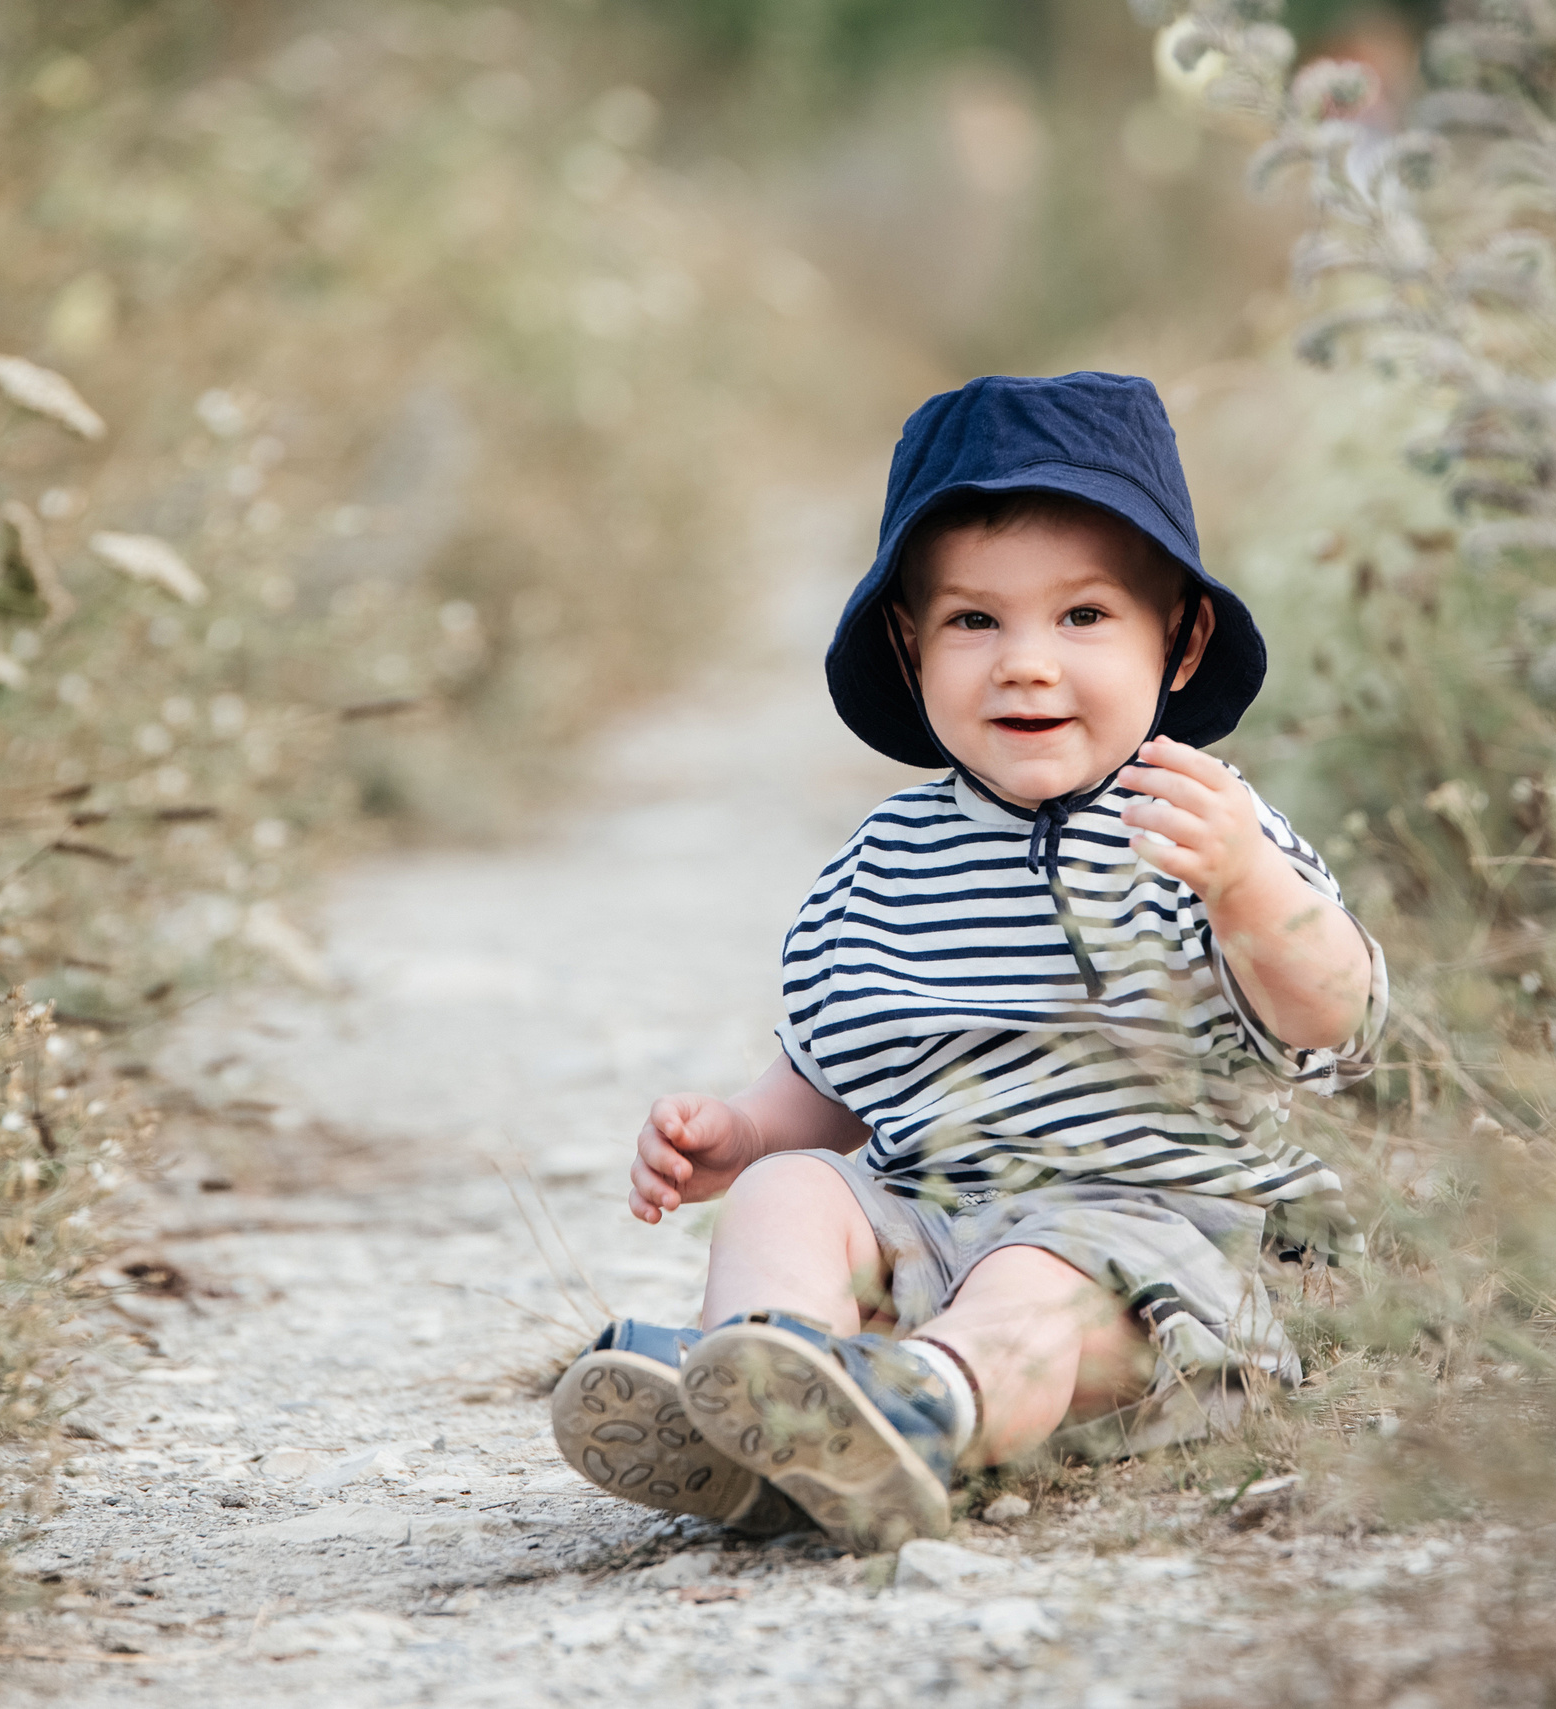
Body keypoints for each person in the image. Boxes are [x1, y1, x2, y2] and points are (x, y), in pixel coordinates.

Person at [550, 372, 1387, 1554]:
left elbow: (1334, 1014)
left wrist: (1249, 885)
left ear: (1182, 639)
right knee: (793, 1193)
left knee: (1039, 1279)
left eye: (1084, 616)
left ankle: (919, 1409)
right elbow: (843, 1071)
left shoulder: (1206, 828)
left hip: (1143, 1258)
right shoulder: (885, 859)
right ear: (910, 643)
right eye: (973, 620)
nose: (1025, 663)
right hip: (929, 1230)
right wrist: (739, 1138)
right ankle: (761, 1388)